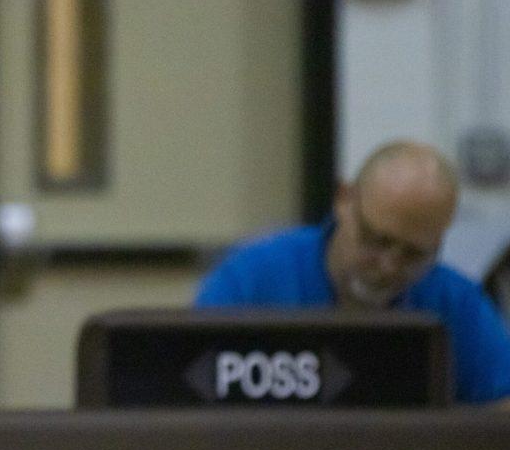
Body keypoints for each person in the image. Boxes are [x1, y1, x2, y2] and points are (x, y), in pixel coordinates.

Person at [195, 141, 510, 406]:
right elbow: (191, 391)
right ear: (343, 200)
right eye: (376, 240)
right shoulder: (251, 280)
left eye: (414, 254)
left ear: (440, 240)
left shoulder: (455, 302)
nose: (389, 266)